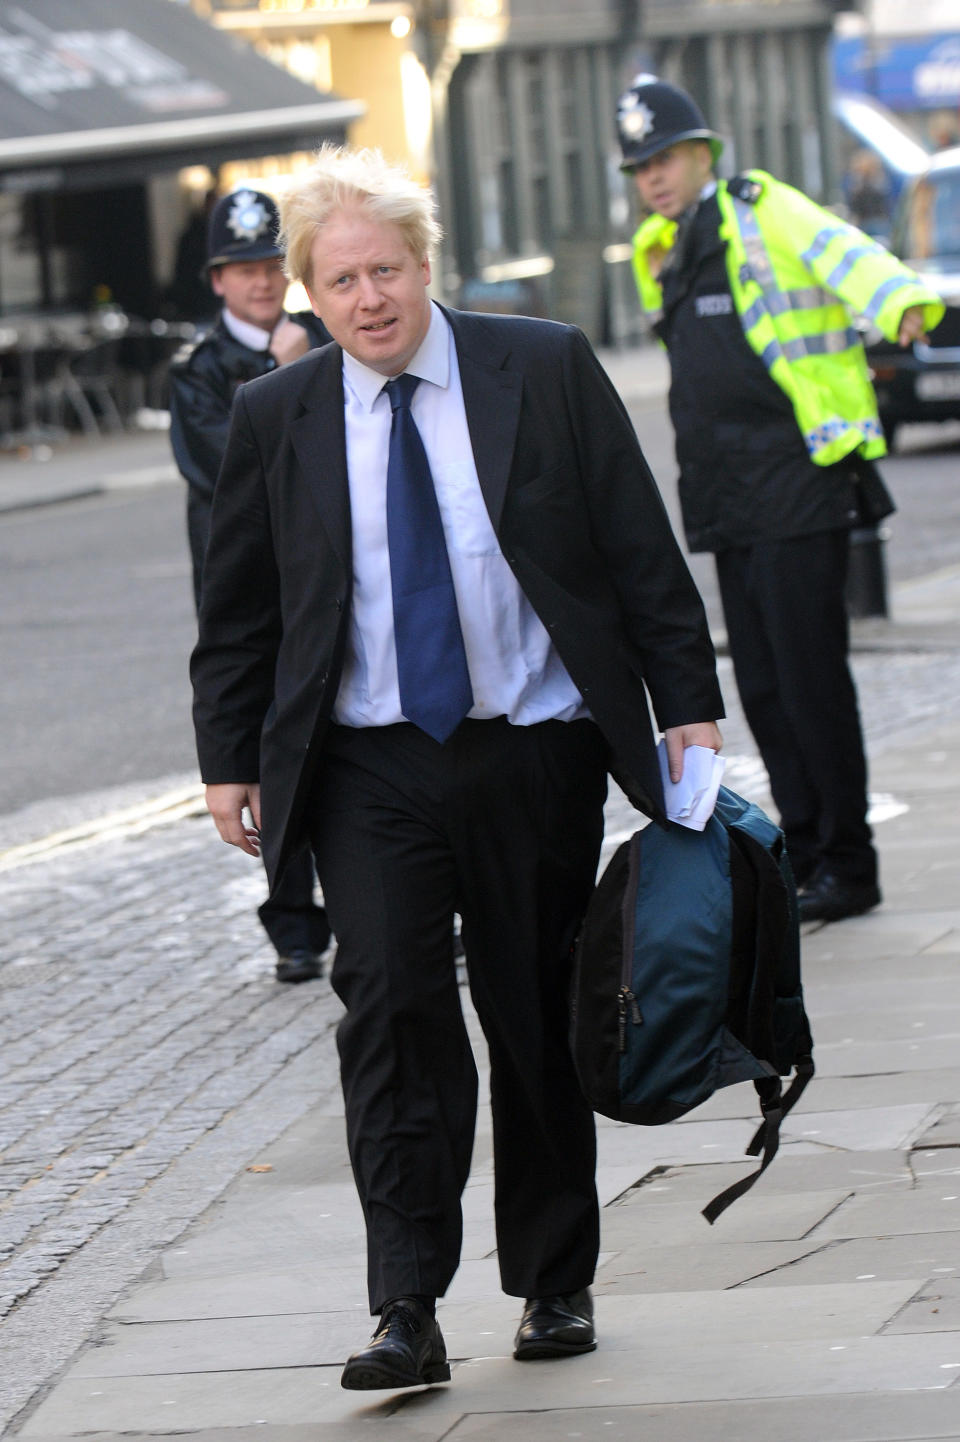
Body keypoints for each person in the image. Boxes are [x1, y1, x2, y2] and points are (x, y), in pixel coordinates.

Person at [190, 145, 724, 1390]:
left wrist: (685, 702)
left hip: (532, 748)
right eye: (340, 279)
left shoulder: (538, 366)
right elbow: (242, 610)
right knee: (391, 1013)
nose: (368, 298)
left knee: (535, 1010)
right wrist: (228, 759)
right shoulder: (276, 416)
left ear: (426, 267)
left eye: (386, 270)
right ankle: (405, 1303)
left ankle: (553, 1279)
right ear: (307, 293)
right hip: (368, 768)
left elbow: (634, 542)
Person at [617, 75, 945, 924]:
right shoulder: (662, 247)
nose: (652, 176)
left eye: (664, 158)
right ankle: (804, 853)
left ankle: (851, 862)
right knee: (761, 685)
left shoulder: (760, 209)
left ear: (702, 155)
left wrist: (907, 304)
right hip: (728, 492)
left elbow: (848, 254)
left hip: (800, 478)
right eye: (639, 166)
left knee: (810, 681)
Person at [170, 186, 332, 985]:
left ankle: (375, 901)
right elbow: (218, 464)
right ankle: (294, 923)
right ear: (217, 281)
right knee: (264, 749)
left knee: (343, 735)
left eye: (271, 263)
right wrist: (279, 375)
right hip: (245, 592)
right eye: (243, 269)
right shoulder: (200, 372)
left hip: (321, 578)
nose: (262, 281)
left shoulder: (332, 338)